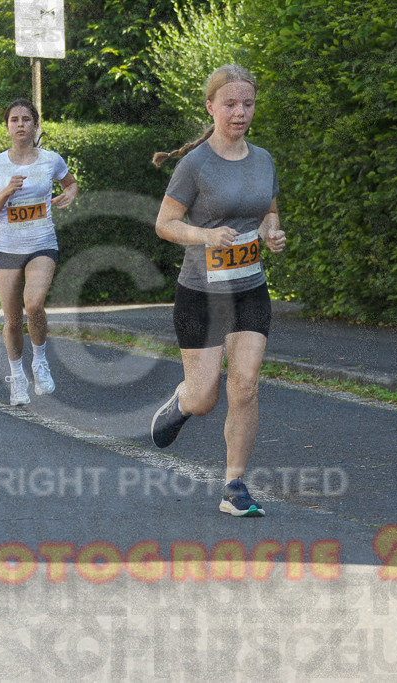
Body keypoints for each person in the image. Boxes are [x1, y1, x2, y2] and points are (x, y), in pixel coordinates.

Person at [150, 64, 286, 517]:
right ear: (211, 107)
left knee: (245, 386)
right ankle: (184, 399)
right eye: (230, 104)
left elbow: (267, 211)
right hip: (201, 293)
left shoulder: (263, 159)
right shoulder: (195, 165)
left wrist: (272, 232)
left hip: (249, 288)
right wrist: (205, 237)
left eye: (247, 104)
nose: (240, 112)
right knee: (206, 396)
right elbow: (164, 224)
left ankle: (234, 487)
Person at [0, 98, 78, 405]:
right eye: (14, 120)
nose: (20, 124)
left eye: (26, 119)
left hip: (41, 243)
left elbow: (70, 183)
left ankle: (40, 361)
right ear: (7, 127)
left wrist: (68, 194)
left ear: (36, 125)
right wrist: (7, 191)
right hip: (7, 247)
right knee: (12, 321)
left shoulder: (50, 160)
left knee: (33, 304)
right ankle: (17, 378)